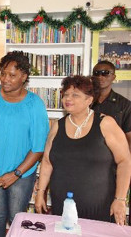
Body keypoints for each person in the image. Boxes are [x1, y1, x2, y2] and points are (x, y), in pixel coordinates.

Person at [35, 75, 131, 225]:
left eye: (75, 95)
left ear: (89, 100)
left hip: (99, 207)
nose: (68, 98)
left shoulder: (106, 123)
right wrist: (40, 192)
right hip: (63, 205)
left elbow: (125, 161)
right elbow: (47, 161)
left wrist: (120, 199)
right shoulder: (57, 126)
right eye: (65, 94)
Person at [0, 51, 49, 237]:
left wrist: (16, 173)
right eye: (3, 73)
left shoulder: (35, 104)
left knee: (17, 219)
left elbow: (38, 147)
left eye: (12, 75)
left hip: (22, 175)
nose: (5, 79)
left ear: (24, 76)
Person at [91, 60, 131, 151]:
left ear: (113, 77)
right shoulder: (85, 101)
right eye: (96, 73)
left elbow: (129, 139)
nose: (100, 77)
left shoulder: (124, 105)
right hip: (87, 155)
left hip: (113, 158)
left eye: (105, 73)